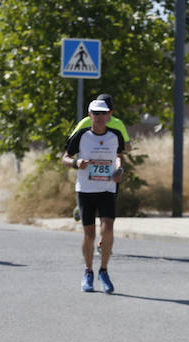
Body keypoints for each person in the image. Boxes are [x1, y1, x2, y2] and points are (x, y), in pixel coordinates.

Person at [62, 98, 125, 294]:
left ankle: (104, 271)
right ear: (89, 116)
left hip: (107, 189)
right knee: (89, 234)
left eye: (102, 113)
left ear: (108, 115)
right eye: (95, 114)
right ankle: (88, 272)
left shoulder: (115, 135)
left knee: (107, 229)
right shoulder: (81, 136)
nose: (99, 117)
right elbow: (64, 158)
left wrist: (119, 170)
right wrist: (76, 163)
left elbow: (118, 156)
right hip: (86, 190)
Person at [70, 93, 131, 227]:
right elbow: (128, 147)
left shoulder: (89, 120)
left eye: (104, 112)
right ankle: (81, 207)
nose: (102, 116)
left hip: (109, 167)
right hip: (90, 165)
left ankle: (102, 240)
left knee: (107, 210)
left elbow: (124, 147)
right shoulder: (115, 122)